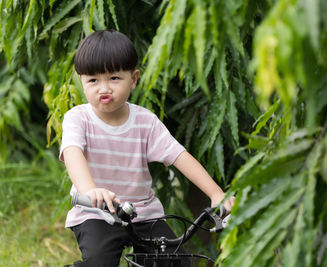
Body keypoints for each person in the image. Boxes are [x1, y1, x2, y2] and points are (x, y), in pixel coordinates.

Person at [60, 29, 235, 267]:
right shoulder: (78, 118)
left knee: (177, 262)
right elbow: (72, 152)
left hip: (143, 212)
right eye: (93, 80)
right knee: (99, 263)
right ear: (81, 81)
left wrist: (216, 194)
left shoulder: (145, 121)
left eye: (114, 78)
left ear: (133, 79)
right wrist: (90, 190)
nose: (104, 88)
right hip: (96, 212)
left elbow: (179, 156)